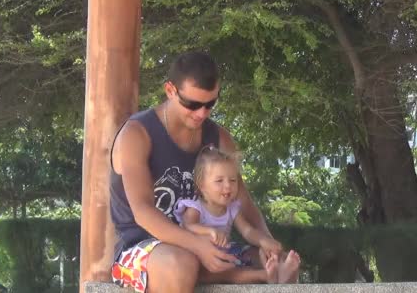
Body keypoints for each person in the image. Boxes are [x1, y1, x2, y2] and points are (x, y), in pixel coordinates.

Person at [109, 51, 299, 293]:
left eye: (210, 104)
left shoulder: (218, 138)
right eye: (192, 104)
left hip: (211, 246)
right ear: (170, 90)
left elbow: (243, 204)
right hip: (142, 248)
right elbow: (143, 213)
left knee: (280, 263)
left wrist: (268, 245)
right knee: (181, 263)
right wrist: (197, 246)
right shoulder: (137, 134)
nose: (201, 113)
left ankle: (258, 274)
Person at [174, 145, 301, 284]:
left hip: (227, 251)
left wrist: (263, 241)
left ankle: (279, 271)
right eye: (219, 181)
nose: (228, 186)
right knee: (230, 272)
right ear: (202, 185)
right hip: (202, 256)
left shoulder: (232, 208)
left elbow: (247, 231)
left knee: (255, 253)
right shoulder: (195, 207)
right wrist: (209, 231)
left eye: (233, 180)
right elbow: (188, 226)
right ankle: (265, 275)